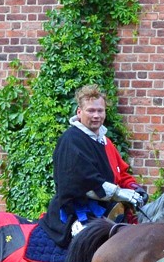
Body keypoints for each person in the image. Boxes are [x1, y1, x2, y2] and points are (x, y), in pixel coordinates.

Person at [39, 84, 148, 249]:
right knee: (88, 246)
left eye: (100, 110)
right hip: (76, 212)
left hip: (109, 209)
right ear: (79, 112)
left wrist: (134, 188)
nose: (96, 115)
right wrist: (121, 194)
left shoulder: (105, 141)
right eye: (91, 110)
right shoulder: (71, 140)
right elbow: (84, 184)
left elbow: (121, 173)